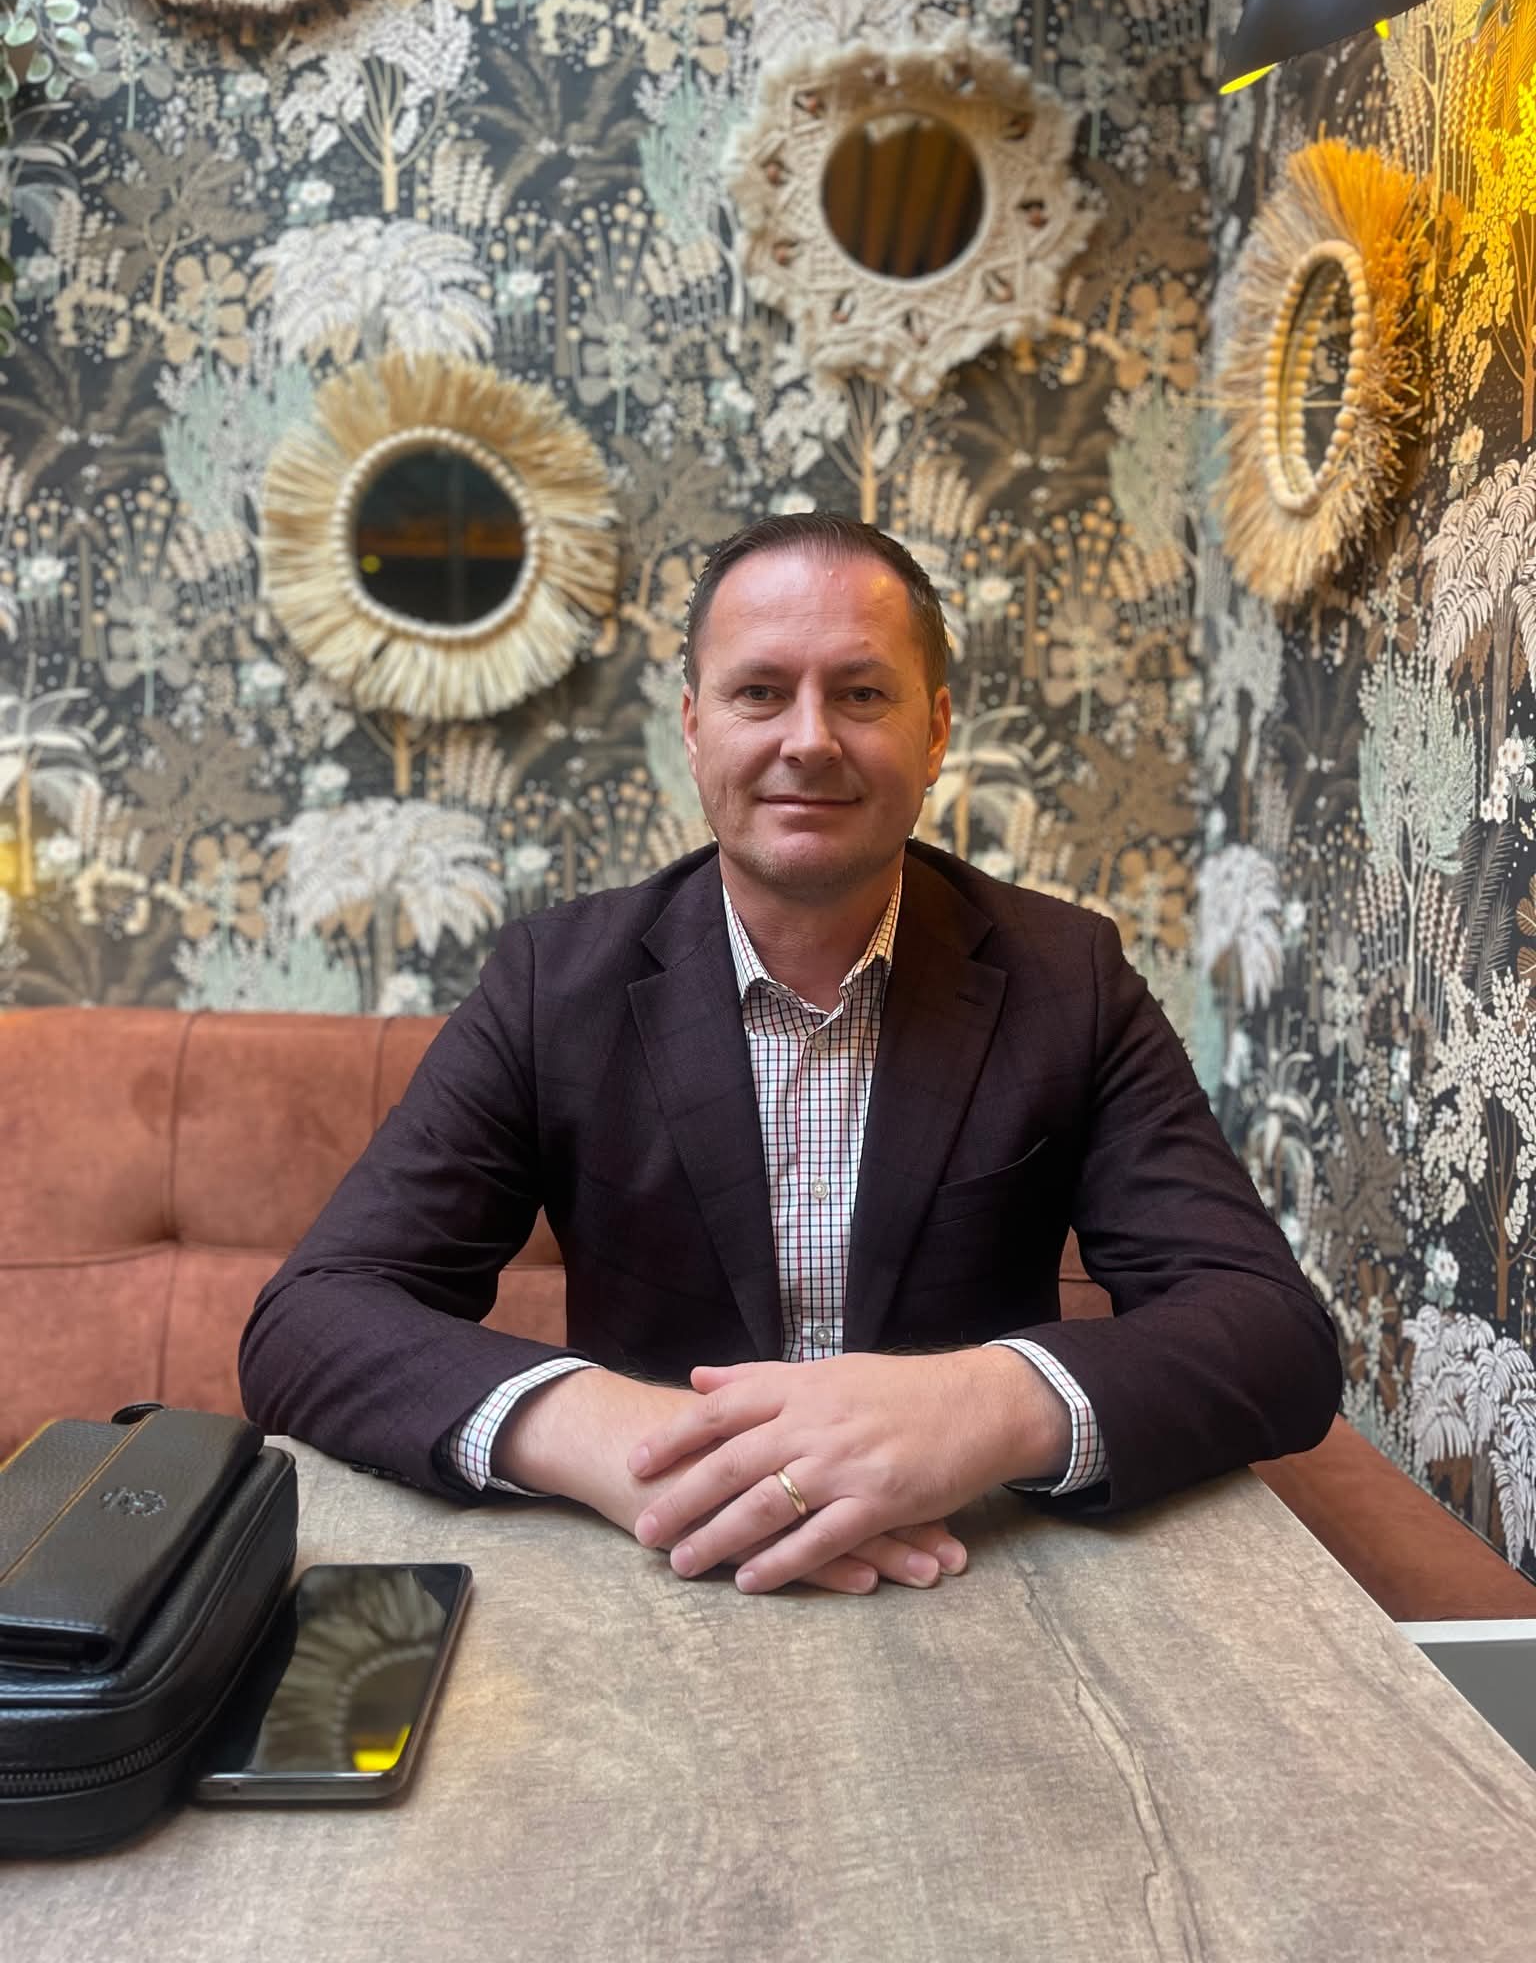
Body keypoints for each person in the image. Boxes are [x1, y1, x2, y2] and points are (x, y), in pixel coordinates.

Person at [239, 512, 1341, 1598]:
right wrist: (623, 1436)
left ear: (936, 732)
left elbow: (1271, 1330)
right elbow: (311, 1318)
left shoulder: (1068, 976)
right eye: (759, 691)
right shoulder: (553, 984)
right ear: (694, 727)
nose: (808, 738)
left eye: (860, 694)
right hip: (658, 1567)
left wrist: (981, 1408)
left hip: (972, 1570)